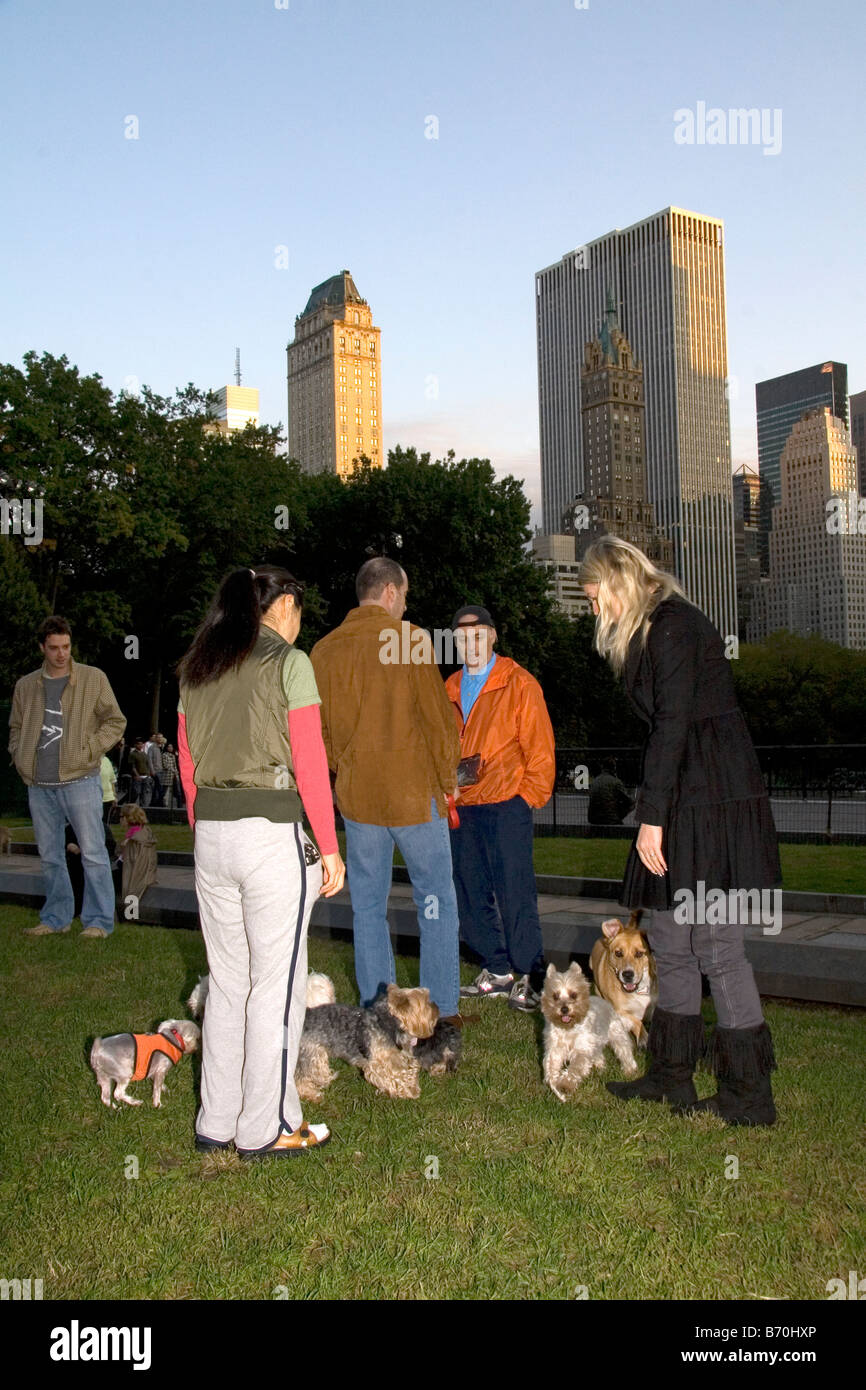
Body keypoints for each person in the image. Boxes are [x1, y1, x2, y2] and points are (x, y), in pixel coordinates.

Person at [580, 536, 781, 1126]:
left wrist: (651, 817)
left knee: (716, 946)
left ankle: (749, 1095)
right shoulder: (655, 629)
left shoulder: (673, 626)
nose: (594, 611)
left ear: (617, 582)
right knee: (667, 938)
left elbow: (671, 726)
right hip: (682, 795)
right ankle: (671, 1078)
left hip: (711, 800)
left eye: (594, 598)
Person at [177, 564, 344, 1158]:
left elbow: (188, 766)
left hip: (212, 837)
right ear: (285, 606)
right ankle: (266, 1125)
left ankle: (217, 1121)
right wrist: (328, 845)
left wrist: (207, 834)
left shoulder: (198, 666)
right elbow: (309, 762)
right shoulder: (289, 664)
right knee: (277, 983)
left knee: (228, 983)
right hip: (271, 835)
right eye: (301, 610)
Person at [310, 558, 462, 1020]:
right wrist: (447, 781)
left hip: (359, 801)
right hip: (415, 796)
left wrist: (346, 770)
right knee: (434, 899)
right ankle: (439, 1008)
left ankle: (380, 1011)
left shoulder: (323, 651)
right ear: (391, 593)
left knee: (368, 908)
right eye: (406, 594)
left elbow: (320, 735)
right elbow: (438, 724)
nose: (406, 603)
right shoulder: (409, 639)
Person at [444, 605, 556, 1012]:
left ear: (492, 637)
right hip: (462, 806)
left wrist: (527, 798)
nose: (469, 642)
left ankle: (531, 975)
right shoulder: (449, 687)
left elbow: (540, 749)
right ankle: (496, 967)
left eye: (477, 634)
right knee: (469, 892)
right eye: (461, 636)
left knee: (515, 893)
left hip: (507, 803)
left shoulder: (519, 683)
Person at [8, 615, 126, 938]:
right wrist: (20, 757)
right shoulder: (26, 685)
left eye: (67, 646)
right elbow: (16, 728)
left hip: (80, 779)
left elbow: (115, 721)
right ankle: (56, 917)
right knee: (49, 856)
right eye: (54, 648)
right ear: (42, 647)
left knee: (93, 853)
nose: (62, 654)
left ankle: (99, 922)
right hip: (39, 784)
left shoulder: (93, 678)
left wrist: (89, 751)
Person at [588, 757, 634, 826]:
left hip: (593, 818)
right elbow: (628, 800)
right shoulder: (615, 781)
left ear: (602, 767)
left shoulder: (595, 780)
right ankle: (616, 820)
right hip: (609, 818)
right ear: (614, 768)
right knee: (632, 803)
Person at [129, 738, 150, 805]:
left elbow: (147, 763)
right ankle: (131, 804)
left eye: (141, 744)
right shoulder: (133, 754)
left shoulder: (144, 753)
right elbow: (132, 766)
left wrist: (148, 773)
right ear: (135, 745)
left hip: (145, 775)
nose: (140, 745)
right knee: (136, 792)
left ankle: (143, 807)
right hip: (137, 775)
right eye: (139, 744)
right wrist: (136, 775)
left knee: (143, 794)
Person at [146, 733, 164, 808]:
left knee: (157, 787)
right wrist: (152, 770)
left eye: (161, 738)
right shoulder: (152, 748)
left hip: (162, 770)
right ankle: (160, 802)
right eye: (158, 737)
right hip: (156, 770)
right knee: (159, 786)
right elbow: (149, 759)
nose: (160, 739)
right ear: (156, 738)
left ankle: (153, 802)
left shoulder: (162, 747)